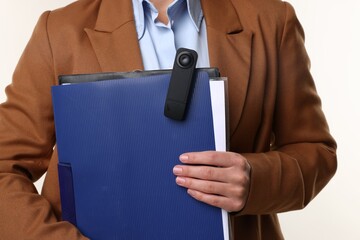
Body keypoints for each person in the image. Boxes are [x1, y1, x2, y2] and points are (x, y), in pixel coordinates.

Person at [0, 0, 337, 239]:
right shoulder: (58, 31)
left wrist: (255, 181)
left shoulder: (272, 20)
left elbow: (315, 151)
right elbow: (4, 166)